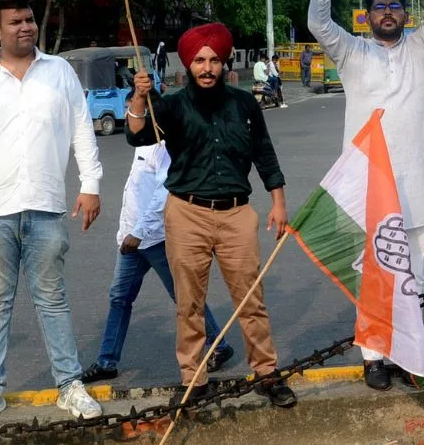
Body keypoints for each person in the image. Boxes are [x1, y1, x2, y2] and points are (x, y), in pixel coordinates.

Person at [0, 0, 105, 426]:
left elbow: (81, 130)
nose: (25, 27)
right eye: (15, 21)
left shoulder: (60, 73)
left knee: (52, 300)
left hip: (46, 205)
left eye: (30, 19)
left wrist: (91, 185)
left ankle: (69, 385)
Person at [308, 0, 424, 390]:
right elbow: (318, 22)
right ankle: (374, 357)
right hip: (368, 185)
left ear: (404, 15)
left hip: (416, 182)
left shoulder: (421, 47)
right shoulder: (351, 51)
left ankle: (410, 355)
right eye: (380, 7)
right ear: (367, 15)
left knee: (410, 274)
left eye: (395, 6)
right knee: (373, 273)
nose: (388, 13)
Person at [126, 23, 296, 409]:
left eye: (214, 60)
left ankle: (267, 373)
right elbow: (137, 135)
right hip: (187, 213)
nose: (207, 68)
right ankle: (194, 379)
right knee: (189, 302)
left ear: (225, 63)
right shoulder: (170, 105)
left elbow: (264, 154)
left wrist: (279, 202)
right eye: (200, 60)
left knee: (251, 299)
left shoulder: (245, 105)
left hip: (237, 214)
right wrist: (139, 98)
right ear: (188, 64)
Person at [80, 132, 235, 384]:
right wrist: (126, 233)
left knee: (183, 295)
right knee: (119, 298)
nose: (131, 119)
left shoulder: (163, 147)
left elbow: (163, 193)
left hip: (155, 239)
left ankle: (218, 344)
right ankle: (106, 362)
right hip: (132, 241)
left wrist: (139, 232)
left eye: (136, 113)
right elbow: (135, 191)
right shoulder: (141, 143)